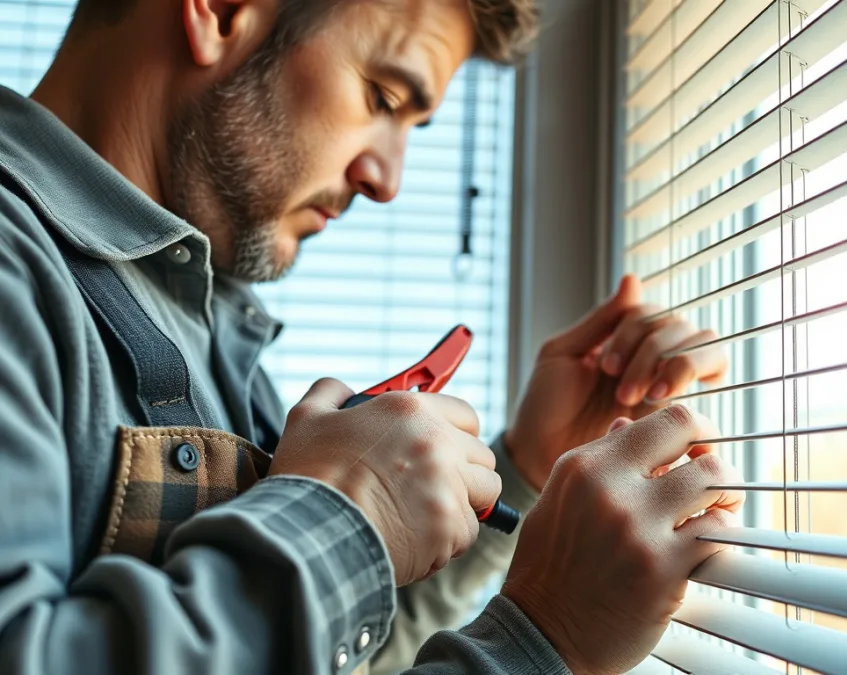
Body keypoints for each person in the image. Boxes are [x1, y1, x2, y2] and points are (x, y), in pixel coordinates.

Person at [0, 0, 744, 672]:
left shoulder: (222, 343)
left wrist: (523, 465)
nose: (387, 179)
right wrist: (357, 506)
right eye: (382, 97)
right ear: (222, 11)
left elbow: (333, 657)